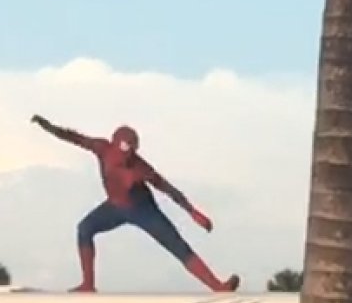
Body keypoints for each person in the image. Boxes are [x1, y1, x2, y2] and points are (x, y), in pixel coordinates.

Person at [30, 115, 240, 293]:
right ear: (114, 144)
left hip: (144, 210)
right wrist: (47, 126)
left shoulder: (140, 168)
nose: (126, 159)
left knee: (177, 245)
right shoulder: (102, 148)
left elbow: (167, 188)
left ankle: (218, 287)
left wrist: (192, 212)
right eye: (123, 153)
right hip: (115, 207)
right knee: (84, 228)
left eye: (130, 153)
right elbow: (73, 137)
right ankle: (88, 284)